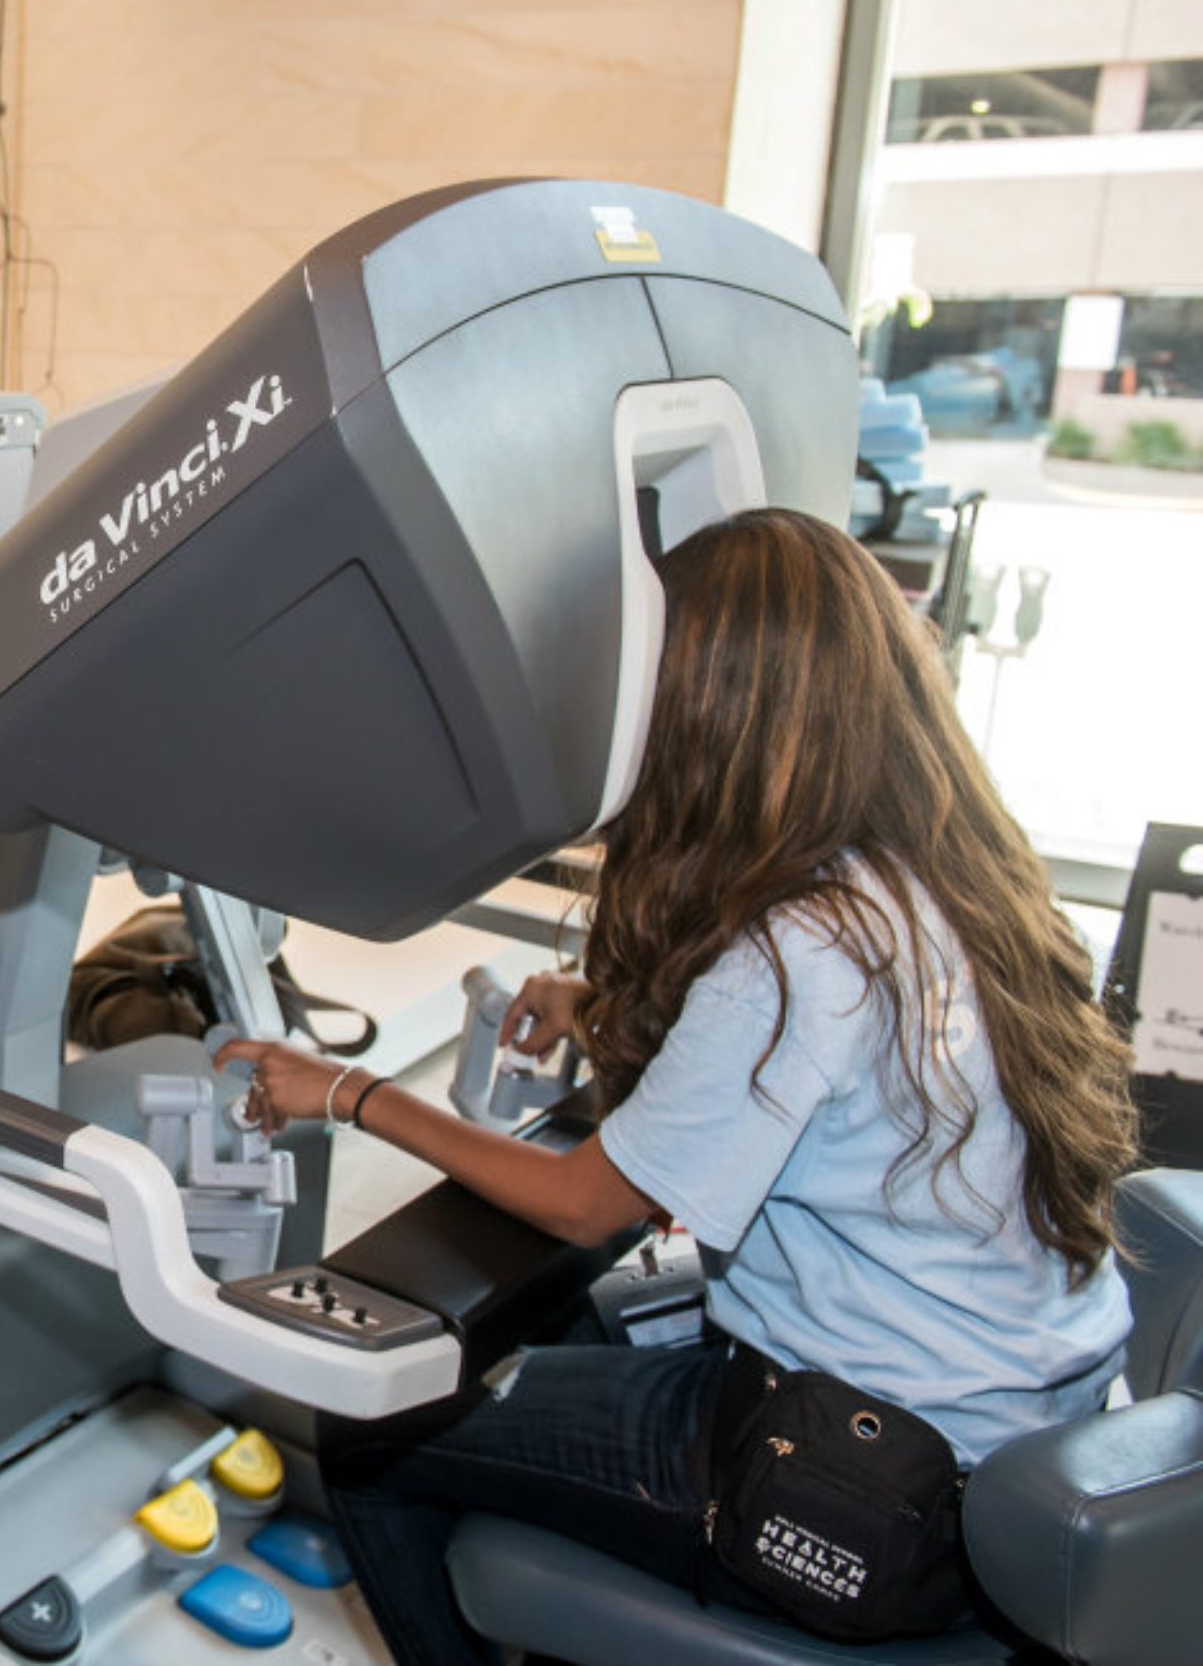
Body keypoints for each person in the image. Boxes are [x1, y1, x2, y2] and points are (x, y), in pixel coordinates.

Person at [211, 507, 1140, 1663]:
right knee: (593, 1322)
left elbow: (586, 1205)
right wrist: (601, 1009)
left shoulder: (799, 955)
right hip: (1020, 1441)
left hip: (868, 1484)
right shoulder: (945, 884)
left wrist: (348, 1091)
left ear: (715, 712)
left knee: (366, 1426)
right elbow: (823, 1074)